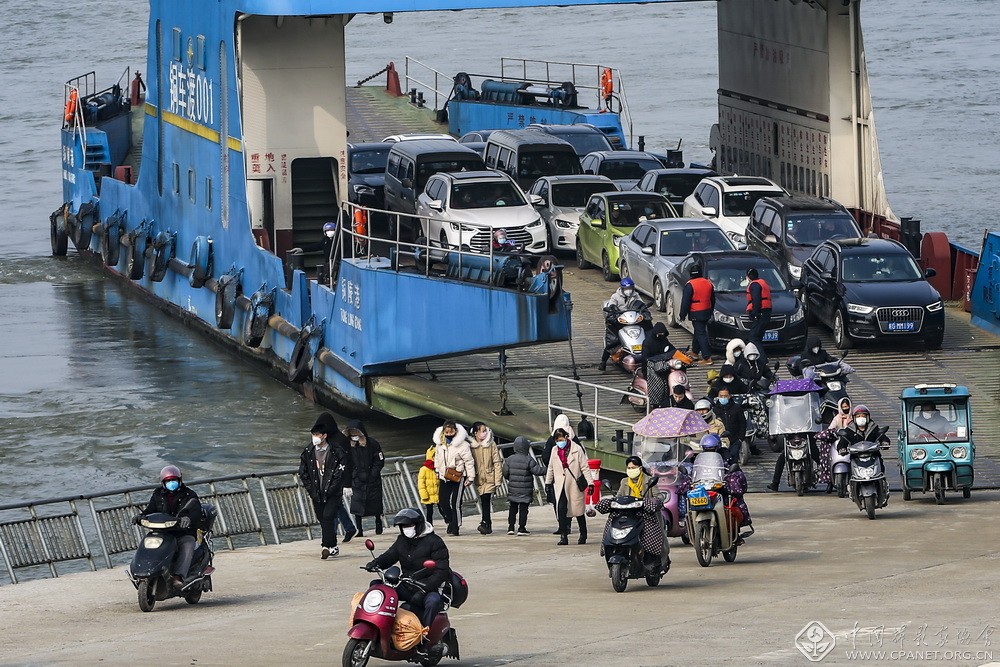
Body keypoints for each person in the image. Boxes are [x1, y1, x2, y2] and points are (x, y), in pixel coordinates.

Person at [365, 508, 451, 630]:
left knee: (433, 601)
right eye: (403, 526)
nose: (406, 529)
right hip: (406, 584)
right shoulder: (402, 540)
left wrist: (424, 590)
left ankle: (424, 634)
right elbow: (390, 555)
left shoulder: (434, 542)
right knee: (377, 587)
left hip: (427, 587)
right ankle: (379, 625)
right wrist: (376, 563)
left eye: (409, 526)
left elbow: (441, 571)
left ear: (419, 525)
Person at [597, 455, 669, 571]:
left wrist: (652, 501)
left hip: (645, 514)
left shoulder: (649, 480)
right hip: (627, 514)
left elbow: (659, 496)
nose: (631, 470)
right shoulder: (624, 481)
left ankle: (652, 559)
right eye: (629, 468)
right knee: (610, 525)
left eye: (633, 467)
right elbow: (619, 496)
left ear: (640, 468)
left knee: (650, 534)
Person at [136, 465, 202, 589]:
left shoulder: (189, 494)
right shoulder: (158, 494)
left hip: (182, 532)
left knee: (188, 544)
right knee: (148, 542)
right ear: (163, 483)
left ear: (180, 480)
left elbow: (196, 511)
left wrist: (188, 519)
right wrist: (140, 517)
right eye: (168, 481)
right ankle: (143, 571)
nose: (171, 483)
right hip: (164, 531)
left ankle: (178, 576)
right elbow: (150, 510)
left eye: (174, 480)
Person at [299, 412, 352, 559]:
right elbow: (303, 472)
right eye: (313, 434)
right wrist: (310, 489)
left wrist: (339, 486)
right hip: (316, 491)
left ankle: (325, 545)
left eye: (317, 434)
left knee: (329, 515)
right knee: (322, 517)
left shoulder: (336, 450)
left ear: (324, 436)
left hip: (333, 491)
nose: (315, 437)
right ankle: (332, 545)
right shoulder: (308, 451)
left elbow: (342, 468)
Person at [544, 428, 593, 545]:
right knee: (561, 510)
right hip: (560, 485)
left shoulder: (577, 449)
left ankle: (583, 533)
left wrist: (590, 483)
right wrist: (548, 483)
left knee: (578, 511)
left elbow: (584, 467)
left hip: (574, 485)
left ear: (566, 437)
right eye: (557, 440)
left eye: (561, 439)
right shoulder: (554, 450)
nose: (559, 442)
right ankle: (563, 536)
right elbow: (550, 467)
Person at [599, 278, 653, 371]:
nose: (628, 291)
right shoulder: (615, 296)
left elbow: (641, 305)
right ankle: (603, 361)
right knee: (612, 338)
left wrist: (644, 312)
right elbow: (611, 306)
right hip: (620, 321)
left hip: (633, 320)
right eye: (626, 289)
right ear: (622, 289)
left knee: (649, 329)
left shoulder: (636, 295)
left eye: (630, 289)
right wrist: (613, 311)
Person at [433, 420, 475, 536]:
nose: (448, 435)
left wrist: (470, 477)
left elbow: (469, 461)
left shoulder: (463, 445)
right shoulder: (440, 444)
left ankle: (456, 526)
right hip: (444, 476)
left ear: (455, 431)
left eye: (451, 432)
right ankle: (450, 521)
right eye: (446, 432)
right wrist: (437, 470)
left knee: (455, 502)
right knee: (442, 501)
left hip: (458, 476)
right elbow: (437, 458)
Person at [344, 420, 385, 537]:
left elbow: (379, 460)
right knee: (357, 505)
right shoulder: (348, 446)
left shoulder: (373, 444)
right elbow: (346, 462)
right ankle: (359, 529)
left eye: (356, 433)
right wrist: (353, 475)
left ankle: (378, 521)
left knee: (375, 503)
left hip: (372, 479)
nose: (354, 436)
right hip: (356, 480)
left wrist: (373, 474)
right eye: (352, 434)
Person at [502, 435, 546, 535]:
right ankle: (521, 528)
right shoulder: (529, 459)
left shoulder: (509, 459)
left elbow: (505, 472)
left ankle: (511, 527)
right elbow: (537, 471)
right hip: (526, 490)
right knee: (523, 509)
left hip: (513, 489)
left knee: (512, 508)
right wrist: (549, 469)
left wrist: (510, 479)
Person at [469, 421, 504, 535]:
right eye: (482, 431)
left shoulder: (491, 444)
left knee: (486, 498)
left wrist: (498, 480)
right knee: (483, 499)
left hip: (490, 476)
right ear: (475, 433)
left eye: (485, 430)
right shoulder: (471, 446)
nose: (484, 433)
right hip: (479, 478)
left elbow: (497, 462)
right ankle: (487, 523)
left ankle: (485, 522)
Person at [679, 263, 716, 365]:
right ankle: (695, 352)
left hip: (696, 312)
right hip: (707, 311)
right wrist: (711, 310)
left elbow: (685, 302)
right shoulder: (708, 283)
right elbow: (713, 299)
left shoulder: (690, 285)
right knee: (698, 331)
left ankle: (707, 357)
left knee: (701, 334)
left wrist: (682, 315)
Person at [642, 322, 677, 407]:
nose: (661, 335)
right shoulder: (647, 342)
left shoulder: (664, 340)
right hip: (650, 367)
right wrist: (655, 361)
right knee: (659, 382)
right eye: (659, 334)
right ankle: (656, 402)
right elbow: (645, 358)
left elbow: (672, 349)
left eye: (662, 334)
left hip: (664, 365)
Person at [713, 388, 747, 464]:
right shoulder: (714, 410)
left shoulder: (737, 408)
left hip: (735, 440)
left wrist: (740, 439)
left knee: (733, 460)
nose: (723, 398)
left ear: (729, 396)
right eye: (721, 396)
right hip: (721, 441)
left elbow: (743, 424)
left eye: (725, 396)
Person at [745, 267, 772, 346]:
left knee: (753, 338)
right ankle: (758, 353)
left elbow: (756, 300)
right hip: (766, 312)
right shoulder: (762, 282)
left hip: (760, 314)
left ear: (748, 277)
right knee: (758, 338)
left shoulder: (754, 285)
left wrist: (754, 314)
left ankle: (760, 354)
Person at [417, 446, 439, 525]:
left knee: (442, 508)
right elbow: (421, 483)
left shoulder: (437, 468)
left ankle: (448, 523)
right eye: (434, 456)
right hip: (428, 494)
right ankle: (430, 525)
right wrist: (424, 495)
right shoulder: (424, 469)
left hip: (437, 493)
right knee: (429, 511)